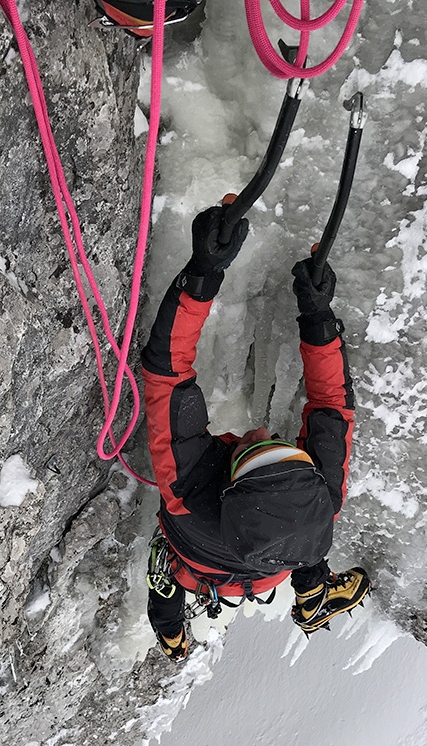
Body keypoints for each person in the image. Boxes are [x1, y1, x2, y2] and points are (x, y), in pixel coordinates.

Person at [141, 205, 370, 661]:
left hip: (197, 564)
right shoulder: (323, 498)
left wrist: (201, 274)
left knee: (164, 583)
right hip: (270, 571)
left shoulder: (189, 497)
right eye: (277, 443)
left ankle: (171, 637)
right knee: (306, 534)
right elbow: (332, 406)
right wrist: (318, 318)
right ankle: (313, 595)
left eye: (252, 447)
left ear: (229, 484)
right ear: (309, 473)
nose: (260, 428)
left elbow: (166, 372)